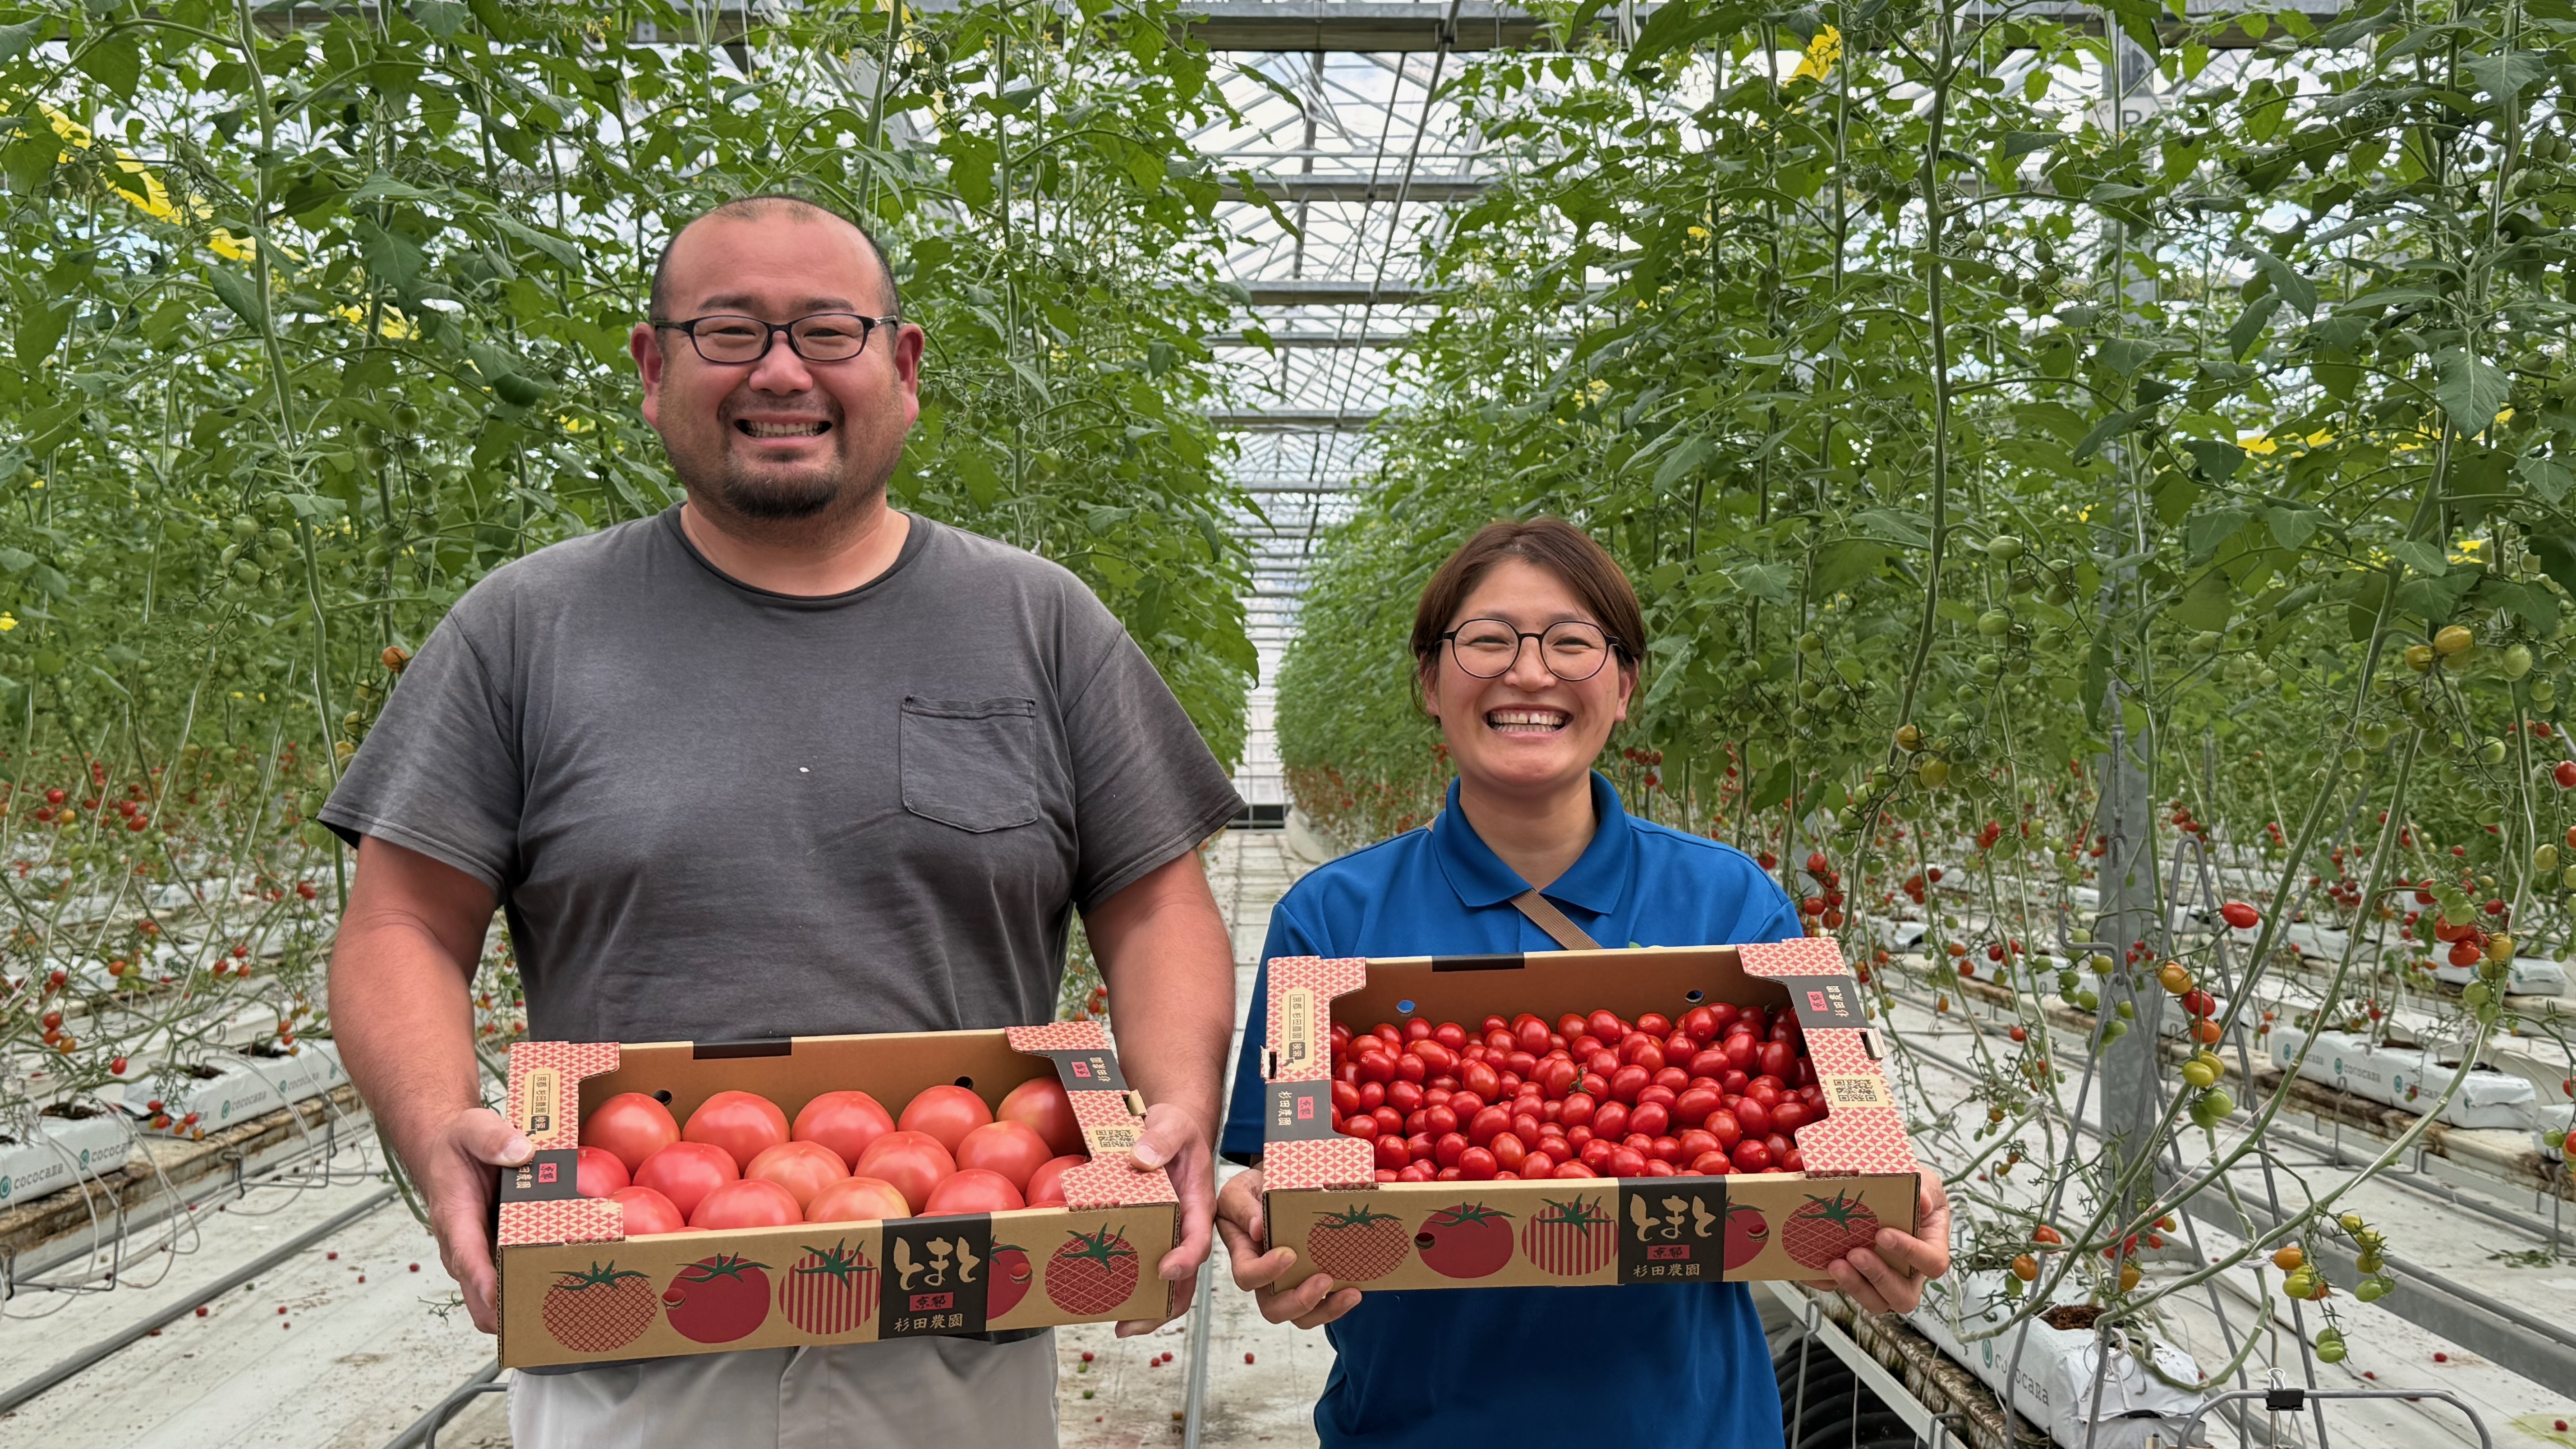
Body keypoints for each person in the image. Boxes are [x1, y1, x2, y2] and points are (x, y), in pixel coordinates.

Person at [322, 194, 1243, 1449]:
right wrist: (436, 1122)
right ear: (654, 371)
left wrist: (1177, 1094)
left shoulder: (1041, 621)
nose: (780, 372)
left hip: (953, 1322)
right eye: (728, 332)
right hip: (632, 1329)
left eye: (827, 331)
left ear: (903, 367)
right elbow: (399, 924)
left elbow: (1156, 902)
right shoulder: (527, 627)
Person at [1212, 519, 1953, 1449]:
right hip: (1417, 1429)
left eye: (1571, 642)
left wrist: (1886, 1206)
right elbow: (1283, 1166)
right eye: (1487, 640)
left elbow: (1827, 1131)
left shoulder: (1732, 900)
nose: (1529, 673)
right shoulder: (1329, 919)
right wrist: (1267, 1220)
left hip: (1690, 1429)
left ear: (1626, 685)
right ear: (1430, 683)